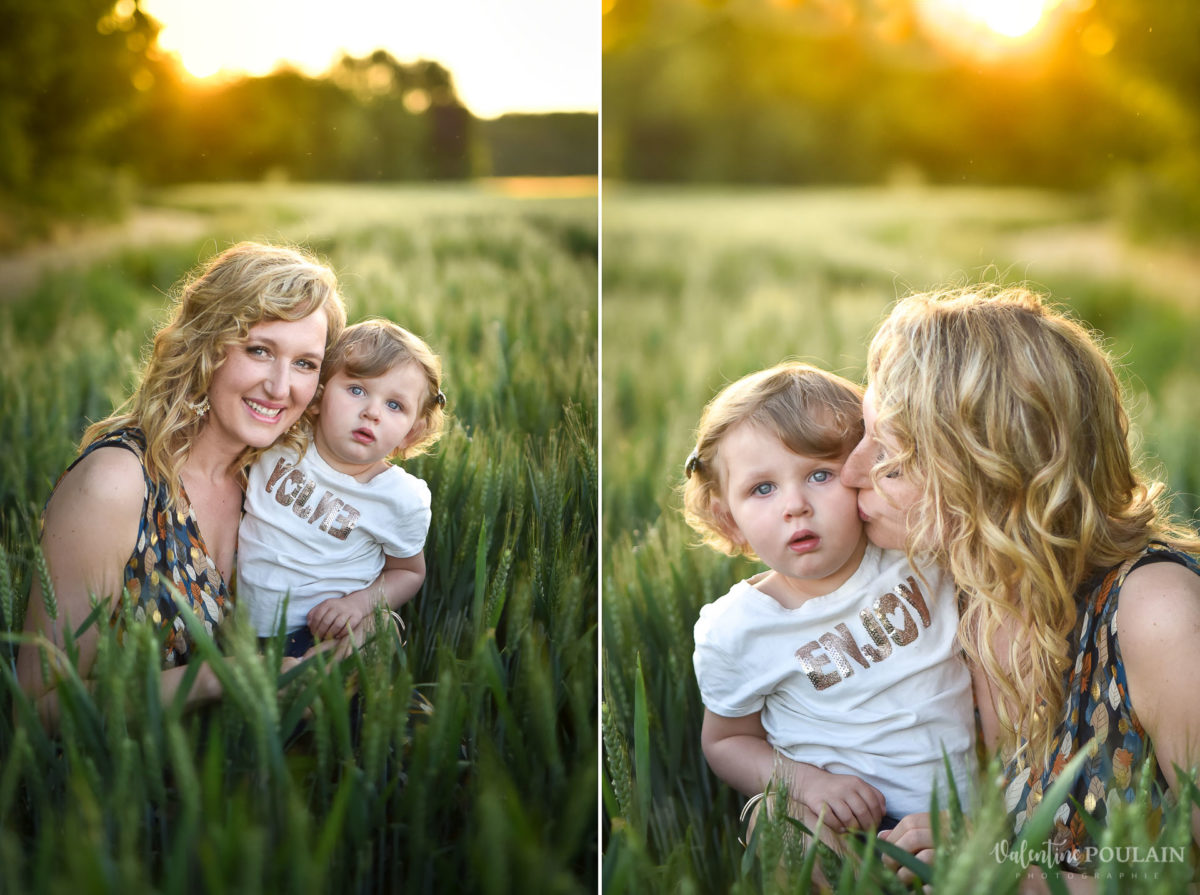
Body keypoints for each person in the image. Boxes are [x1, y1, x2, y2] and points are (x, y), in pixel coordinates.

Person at [840, 286, 1200, 878]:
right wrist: (780, 817)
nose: (851, 471)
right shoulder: (940, 591)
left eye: (892, 461)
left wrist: (1018, 880)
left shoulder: (1157, 617)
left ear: (993, 479)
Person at [17, 242, 347, 724]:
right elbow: (38, 703)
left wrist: (364, 624)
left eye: (305, 363)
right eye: (259, 350)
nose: (281, 388)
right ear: (205, 349)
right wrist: (215, 678)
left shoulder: (280, 479)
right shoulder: (116, 483)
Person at [684, 361, 975, 837]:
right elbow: (727, 741)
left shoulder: (915, 556)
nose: (794, 504)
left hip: (963, 820)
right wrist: (809, 785)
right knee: (776, 826)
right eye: (762, 488)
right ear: (728, 519)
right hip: (846, 824)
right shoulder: (737, 629)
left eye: (820, 475)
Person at [237, 318, 446, 658]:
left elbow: (408, 571)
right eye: (357, 390)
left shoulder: (399, 498)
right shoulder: (280, 442)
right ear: (317, 397)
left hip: (319, 634)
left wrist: (358, 604)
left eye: (395, 405)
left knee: (370, 636)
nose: (372, 412)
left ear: (411, 433)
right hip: (237, 627)